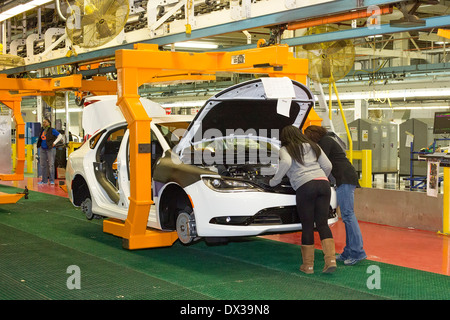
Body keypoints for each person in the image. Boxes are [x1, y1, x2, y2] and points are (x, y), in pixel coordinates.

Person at [269, 125, 336, 274]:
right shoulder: (314, 145)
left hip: (305, 186)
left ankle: (308, 266)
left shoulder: (286, 149)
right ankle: (330, 260)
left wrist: (274, 180)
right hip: (323, 183)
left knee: (307, 226)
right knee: (322, 224)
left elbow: (285, 163)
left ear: (284, 138)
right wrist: (319, 176)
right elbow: (328, 165)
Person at [304, 125, 367, 266]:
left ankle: (358, 252)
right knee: (347, 216)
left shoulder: (325, 142)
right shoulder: (328, 140)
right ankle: (348, 251)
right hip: (343, 179)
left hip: (344, 179)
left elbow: (321, 162)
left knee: (348, 216)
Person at [37, 118, 62, 185]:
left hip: (50, 149)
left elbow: (60, 136)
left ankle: (51, 180)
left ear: (49, 123)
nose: (44, 123)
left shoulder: (52, 130)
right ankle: (44, 180)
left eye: (45, 122)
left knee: (51, 165)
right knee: (42, 165)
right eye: (43, 122)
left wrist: (54, 143)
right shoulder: (42, 130)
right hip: (42, 149)